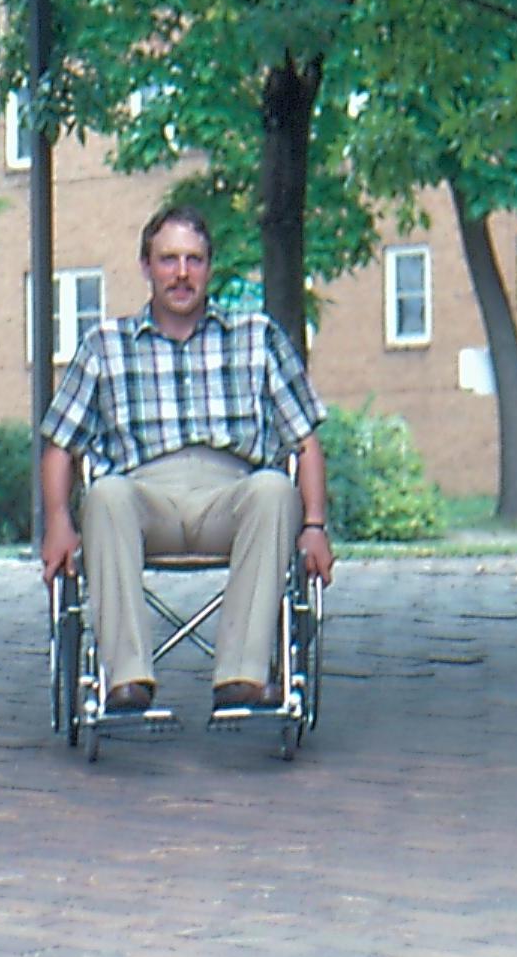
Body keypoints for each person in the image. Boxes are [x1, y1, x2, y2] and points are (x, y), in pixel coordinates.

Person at [36, 204, 335, 714]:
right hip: (143, 498)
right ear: (146, 266)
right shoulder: (104, 346)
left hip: (233, 498)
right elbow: (61, 446)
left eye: (193, 260)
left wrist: (314, 525)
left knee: (272, 489)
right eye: (168, 259)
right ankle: (126, 681)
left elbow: (304, 441)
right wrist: (59, 524)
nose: (181, 273)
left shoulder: (256, 338)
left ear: (209, 267)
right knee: (105, 493)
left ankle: (241, 676)